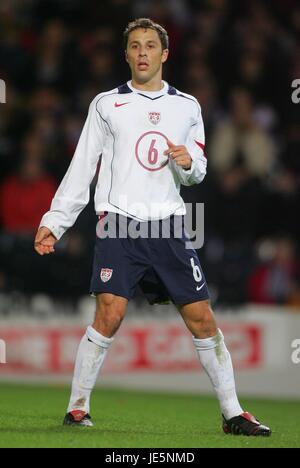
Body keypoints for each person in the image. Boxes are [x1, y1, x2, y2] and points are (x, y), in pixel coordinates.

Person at [34, 18, 271, 436]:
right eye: (134, 46)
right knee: (110, 312)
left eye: (150, 46)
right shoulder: (106, 104)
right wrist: (55, 222)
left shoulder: (188, 106)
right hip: (119, 222)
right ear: (126, 55)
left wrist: (188, 164)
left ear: (165, 54)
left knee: (202, 319)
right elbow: (82, 167)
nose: (142, 52)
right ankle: (76, 408)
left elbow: (197, 170)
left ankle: (234, 413)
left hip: (169, 225)